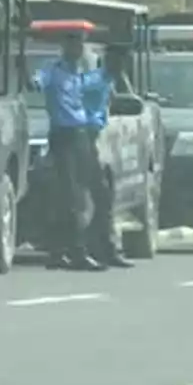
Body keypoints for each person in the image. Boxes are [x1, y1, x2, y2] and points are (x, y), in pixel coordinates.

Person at [30, 28, 114, 271]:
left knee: (95, 191)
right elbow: (37, 82)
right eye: (73, 45)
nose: (77, 50)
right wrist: (30, 79)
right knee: (70, 195)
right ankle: (75, 253)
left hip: (82, 135)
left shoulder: (81, 73)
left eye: (80, 45)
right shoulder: (53, 71)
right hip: (63, 136)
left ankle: (69, 250)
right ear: (64, 47)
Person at [81, 47, 133, 268]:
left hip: (98, 143)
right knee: (96, 198)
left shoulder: (108, 82)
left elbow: (124, 101)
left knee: (103, 199)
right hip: (85, 141)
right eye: (117, 63)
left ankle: (106, 249)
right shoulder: (93, 82)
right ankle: (97, 249)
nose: (121, 68)